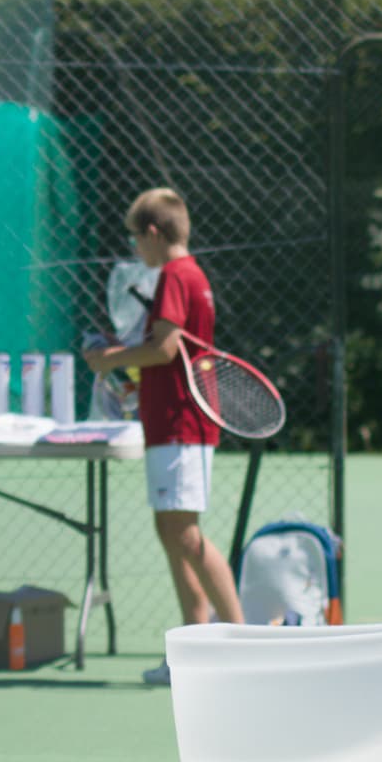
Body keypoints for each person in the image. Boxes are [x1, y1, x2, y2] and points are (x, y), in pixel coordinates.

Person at [81, 187, 241, 681]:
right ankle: (192, 650)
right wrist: (128, 360)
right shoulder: (188, 275)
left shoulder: (175, 274)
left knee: (185, 534)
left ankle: (241, 642)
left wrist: (109, 360)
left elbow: (165, 350)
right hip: (171, 420)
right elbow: (162, 347)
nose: (135, 250)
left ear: (153, 233)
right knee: (169, 531)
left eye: (136, 239)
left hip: (181, 421)